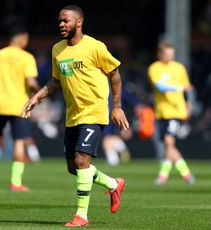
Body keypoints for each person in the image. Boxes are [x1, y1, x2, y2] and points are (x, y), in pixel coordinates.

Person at [21, 5, 129, 227]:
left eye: (66, 21)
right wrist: (37, 97)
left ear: (79, 23)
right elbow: (56, 81)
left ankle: (81, 216)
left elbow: (115, 74)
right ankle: (113, 184)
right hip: (73, 116)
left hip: (94, 112)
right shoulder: (57, 50)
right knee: (74, 168)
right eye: (60, 21)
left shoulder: (95, 47)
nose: (61, 24)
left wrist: (116, 106)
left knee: (81, 161)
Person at [0, 26, 40, 192]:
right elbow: (31, 82)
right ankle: (15, 182)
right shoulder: (26, 58)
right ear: (22, 38)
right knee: (19, 142)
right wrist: (38, 94)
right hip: (19, 105)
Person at [148, 41, 195, 185]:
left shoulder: (179, 68)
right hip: (162, 112)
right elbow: (160, 87)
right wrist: (178, 88)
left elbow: (188, 88)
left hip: (176, 111)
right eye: (167, 54)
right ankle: (180, 174)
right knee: (169, 145)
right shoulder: (154, 68)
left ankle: (175, 174)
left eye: (172, 54)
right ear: (160, 54)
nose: (170, 57)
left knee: (169, 142)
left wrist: (189, 104)